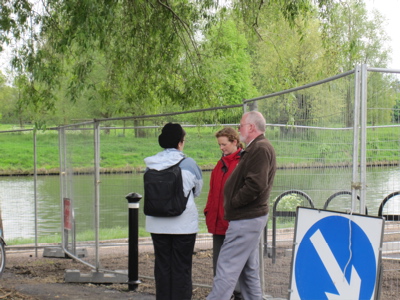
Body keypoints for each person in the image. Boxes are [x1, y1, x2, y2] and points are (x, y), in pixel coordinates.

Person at [207, 111, 277, 300]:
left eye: (241, 125)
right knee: (248, 269)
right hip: (248, 217)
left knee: (226, 267)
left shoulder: (260, 149)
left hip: (245, 218)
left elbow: (256, 184)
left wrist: (234, 202)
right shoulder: (256, 148)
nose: (239, 129)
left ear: (251, 127)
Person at [144, 122, 203, 300]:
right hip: (183, 226)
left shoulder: (151, 164)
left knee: (162, 267)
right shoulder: (189, 163)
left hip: (157, 224)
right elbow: (198, 190)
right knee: (181, 268)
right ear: (180, 142)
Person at [204, 127, 243, 298]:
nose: (221, 148)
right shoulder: (220, 164)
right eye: (219, 145)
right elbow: (213, 192)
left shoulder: (242, 163)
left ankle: (239, 293)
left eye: (224, 144)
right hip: (218, 221)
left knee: (237, 262)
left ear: (235, 142)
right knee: (219, 263)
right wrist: (208, 211)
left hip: (233, 222)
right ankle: (223, 294)